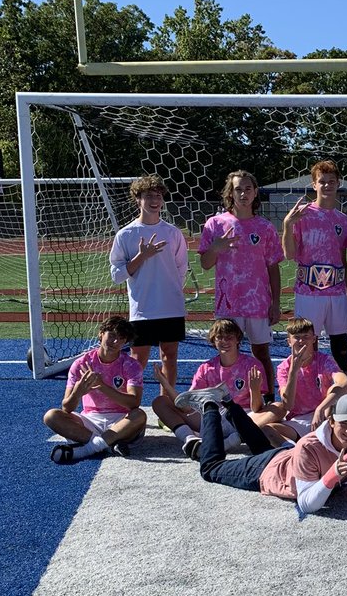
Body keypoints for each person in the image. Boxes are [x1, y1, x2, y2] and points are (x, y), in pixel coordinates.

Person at [188, 388, 347, 515]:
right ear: (331, 421)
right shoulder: (309, 445)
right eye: (344, 423)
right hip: (269, 469)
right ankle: (210, 405)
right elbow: (306, 504)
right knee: (211, 469)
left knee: (262, 444)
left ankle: (229, 402)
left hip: (290, 455)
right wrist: (332, 476)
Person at [198, 169, 282, 398]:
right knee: (226, 354)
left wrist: (275, 304)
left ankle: (267, 398)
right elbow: (205, 263)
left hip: (257, 303)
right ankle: (225, 398)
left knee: (261, 353)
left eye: (248, 188)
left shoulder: (265, 227)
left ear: (255, 193)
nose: (243, 193)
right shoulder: (215, 224)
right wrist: (216, 248)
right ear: (230, 193)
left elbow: (273, 267)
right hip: (228, 304)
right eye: (238, 189)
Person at [108, 174, 188, 389]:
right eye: (149, 196)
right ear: (138, 199)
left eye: (159, 196)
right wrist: (141, 257)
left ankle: (168, 404)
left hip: (171, 307)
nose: (155, 200)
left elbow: (181, 268)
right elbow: (117, 275)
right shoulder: (126, 235)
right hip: (142, 308)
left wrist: (170, 291)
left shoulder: (173, 233)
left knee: (169, 357)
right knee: (137, 359)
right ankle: (130, 403)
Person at [152, 318, 264, 459]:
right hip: (212, 417)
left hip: (244, 417)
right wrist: (165, 384)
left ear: (238, 339)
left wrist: (255, 390)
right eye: (219, 338)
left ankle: (229, 442)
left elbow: (257, 408)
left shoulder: (252, 365)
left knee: (276, 408)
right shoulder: (205, 368)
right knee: (160, 402)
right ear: (213, 341)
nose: (225, 341)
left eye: (229, 337)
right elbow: (187, 406)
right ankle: (190, 440)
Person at [281, 160, 347, 373]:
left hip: (337, 291)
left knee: (340, 344)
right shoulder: (302, 214)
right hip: (309, 290)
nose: (327, 185)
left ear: (338, 183)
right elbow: (289, 254)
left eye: (331, 181)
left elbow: (342, 260)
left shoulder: (344, 220)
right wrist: (287, 225)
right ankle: (305, 386)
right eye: (322, 181)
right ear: (314, 184)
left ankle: (343, 387)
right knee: (306, 341)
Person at [44, 315, 147, 463]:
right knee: (51, 416)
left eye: (121, 339)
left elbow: (134, 403)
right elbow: (66, 407)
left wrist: (102, 387)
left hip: (121, 421)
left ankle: (87, 449)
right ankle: (107, 445)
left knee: (139, 415)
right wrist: (78, 392)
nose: (115, 342)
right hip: (90, 420)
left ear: (125, 342)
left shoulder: (131, 365)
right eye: (111, 336)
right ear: (101, 334)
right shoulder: (81, 364)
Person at [251, 316, 347, 445]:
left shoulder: (324, 360)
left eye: (306, 336)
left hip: (323, 415)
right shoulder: (283, 368)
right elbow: (288, 405)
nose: (301, 340)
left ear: (314, 339)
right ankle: (291, 450)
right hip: (298, 421)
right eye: (297, 337)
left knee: (336, 391)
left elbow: (345, 383)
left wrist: (320, 409)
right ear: (289, 341)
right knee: (268, 430)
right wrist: (294, 371)